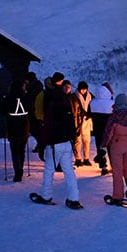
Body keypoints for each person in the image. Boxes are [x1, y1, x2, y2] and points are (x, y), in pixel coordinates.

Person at [30, 72, 83, 209]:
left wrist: (43, 143)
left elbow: (46, 125)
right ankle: (74, 198)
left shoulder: (50, 102)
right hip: (67, 142)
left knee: (49, 170)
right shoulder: (67, 100)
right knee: (69, 171)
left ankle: (46, 196)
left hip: (54, 143)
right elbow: (72, 122)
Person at [3, 78, 31, 182]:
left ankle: (17, 170)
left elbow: (3, 111)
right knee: (22, 149)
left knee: (14, 149)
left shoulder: (9, 97)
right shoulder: (26, 96)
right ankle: (21, 168)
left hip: (12, 125)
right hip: (24, 124)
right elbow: (31, 109)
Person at [91, 82, 115, 175]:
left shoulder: (92, 103)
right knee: (111, 148)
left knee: (100, 147)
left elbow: (89, 114)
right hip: (109, 129)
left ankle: (103, 166)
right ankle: (113, 166)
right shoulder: (112, 103)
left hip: (97, 129)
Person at [73, 81, 93, 167]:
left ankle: (86, 158)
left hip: (87, 120)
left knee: (87, 140)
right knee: (77, 140)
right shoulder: (74, 96)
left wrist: (90, 114)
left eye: (85, 89)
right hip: (77, 120)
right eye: (82, 89)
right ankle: (78, 158)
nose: (83, 91)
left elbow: (92, 106)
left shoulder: (90, 96)